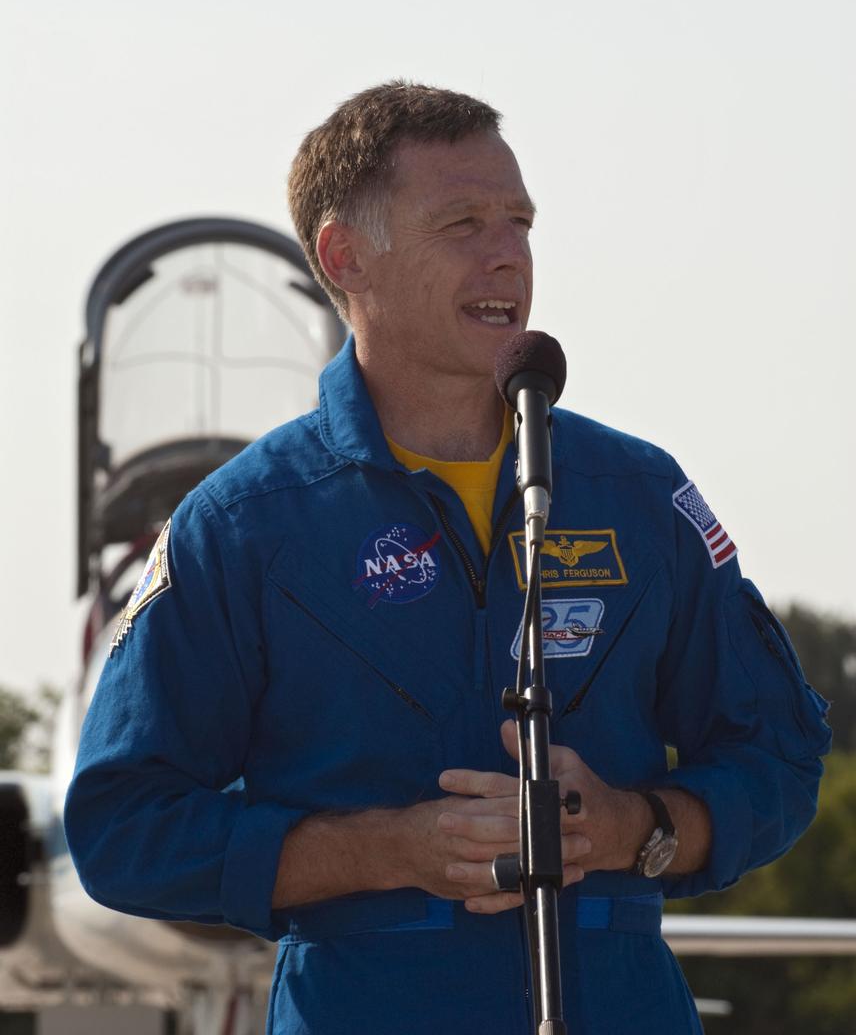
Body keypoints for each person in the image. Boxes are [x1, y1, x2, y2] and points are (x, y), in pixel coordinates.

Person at [65, 82, 831, 1034]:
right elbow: (123, 829)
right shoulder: (244, 527)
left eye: (519, 220)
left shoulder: (638, 494)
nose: (507, 252)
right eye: (462, 222)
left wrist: (638, 828)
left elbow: (782, 751)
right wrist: (391, 850)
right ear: (346, 256)